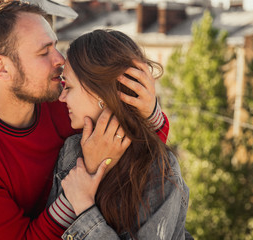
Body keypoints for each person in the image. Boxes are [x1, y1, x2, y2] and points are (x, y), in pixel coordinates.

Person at [0, 1, 170, 239]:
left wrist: (148, 111)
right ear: (1, 68)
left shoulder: (64, 100)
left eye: (56, 46)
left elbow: (137, 150)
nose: (60, 60)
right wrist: (85, 176)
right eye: (43, 52)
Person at [47, 29, 192, 240]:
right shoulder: (71, 150)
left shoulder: (159, 172)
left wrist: (84, 206)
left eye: (67, 86)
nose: (61, 97)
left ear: (100, 94)